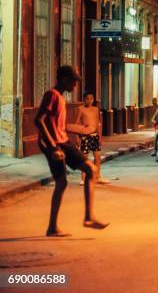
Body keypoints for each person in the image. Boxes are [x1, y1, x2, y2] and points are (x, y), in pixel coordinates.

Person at [35, 65, 109, 237]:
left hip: (64, 141)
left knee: (91, 169)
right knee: (61, 183)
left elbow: (57, 124)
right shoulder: (52, 95)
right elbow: (39, 121)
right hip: (53, 144)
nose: (75, 85)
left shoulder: (60, 97)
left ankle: (89, 217)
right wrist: (53, 147)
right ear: (64, 79)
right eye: (74, 81)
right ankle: (52, 227)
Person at [75, 92, 108, 185]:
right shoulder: (81, 109)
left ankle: (97, 176)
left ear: (93, 99)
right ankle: (83, 178)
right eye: (87, 99)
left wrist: (100, 136)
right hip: (85, 136)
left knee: (97, 156)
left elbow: (98, 123)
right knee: (85, 157)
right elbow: (76, 124)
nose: (89, 101)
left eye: (91, 98)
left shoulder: (96, 109)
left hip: (95, 136)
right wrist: (77, 137)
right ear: (84, 99)